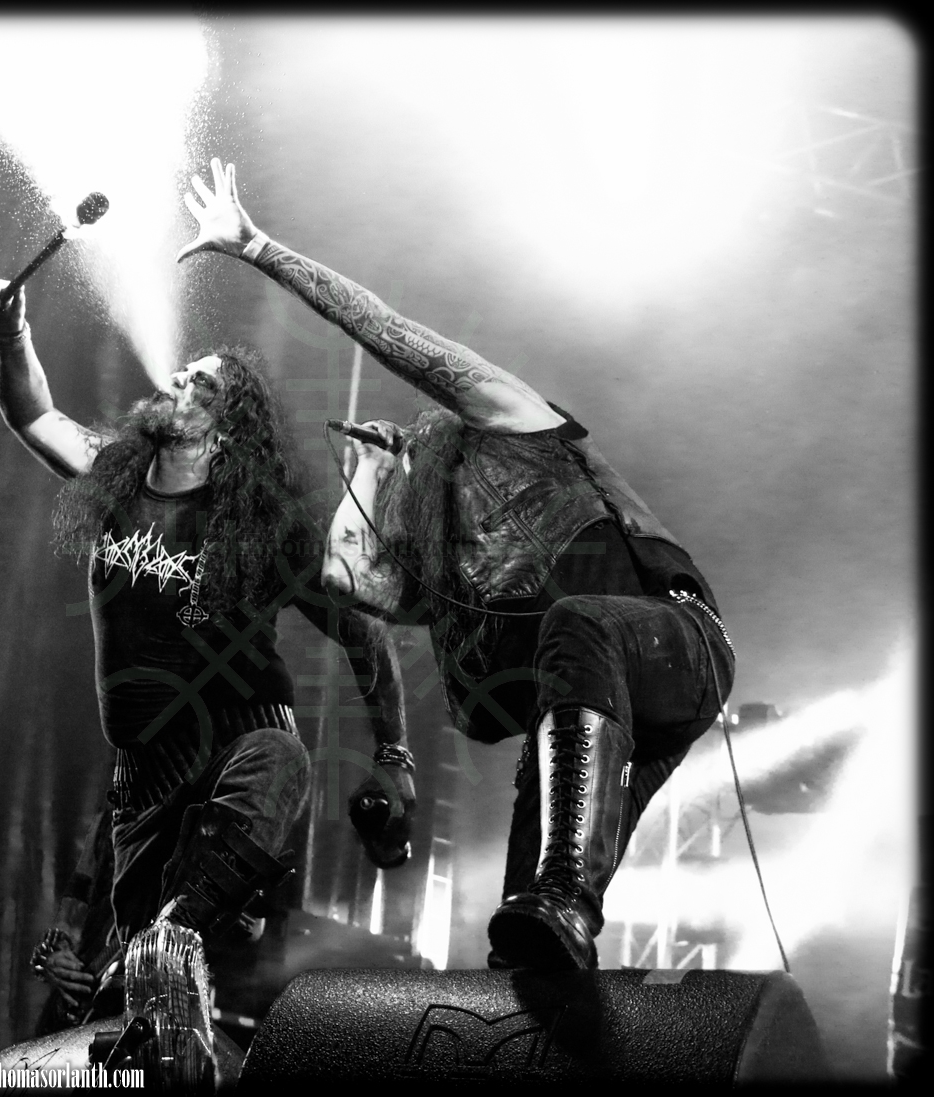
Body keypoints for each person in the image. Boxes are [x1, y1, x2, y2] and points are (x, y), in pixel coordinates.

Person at [177, 158, 735, 974]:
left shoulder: (511, 419)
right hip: (595, 707)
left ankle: (567, 897)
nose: (413, 448)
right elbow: (349, 581)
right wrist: (369, 471)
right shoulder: (448, 563)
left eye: (414, 446)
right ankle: (555, 948)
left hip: (679, 644)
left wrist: (259, 248)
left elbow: (386, 330)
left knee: (577, 632)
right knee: (524, 937)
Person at [0, 279, 411, 1080]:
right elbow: (35, 415)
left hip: (237, 735)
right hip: (144, 774)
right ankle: (160, 961)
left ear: (228, 426)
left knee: (278, 759)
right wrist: (11, 336)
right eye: (183, 371)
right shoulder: (115, 474)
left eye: (201, 381)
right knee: (138, 993)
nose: (177, 378)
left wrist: (395, 754)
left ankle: (188, 928)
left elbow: (363, 628)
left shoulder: (262, 525)